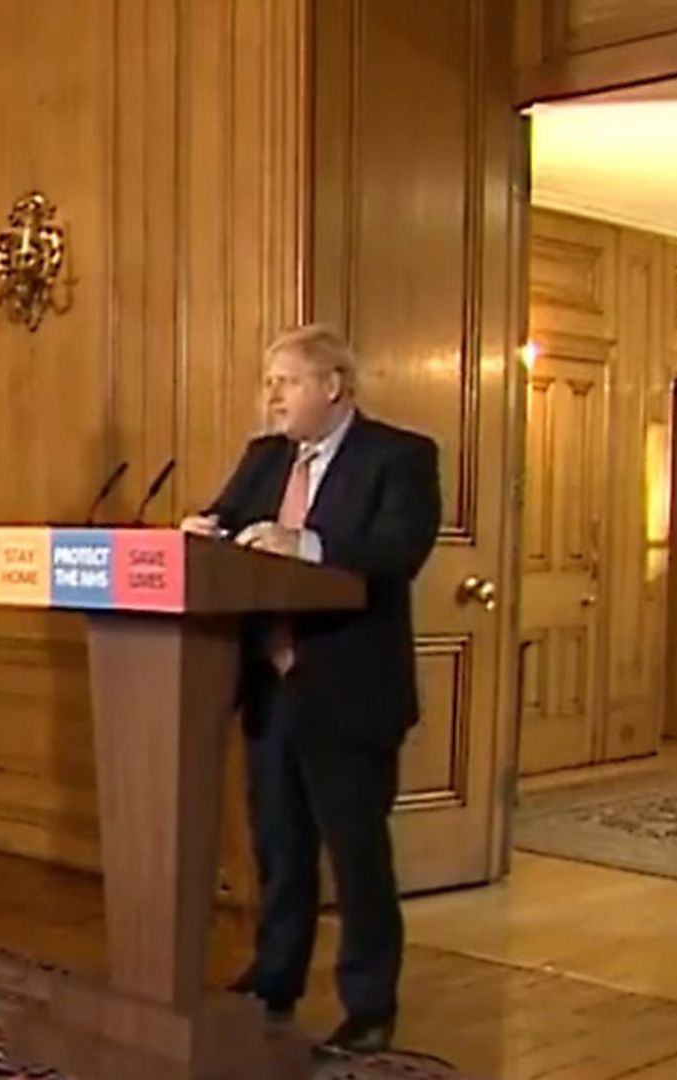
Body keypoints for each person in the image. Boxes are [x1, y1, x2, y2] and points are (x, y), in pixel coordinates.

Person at [182, 323, 441, 1056]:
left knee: (356, 854)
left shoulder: (400, 456)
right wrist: (203, 530)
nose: (271, 396)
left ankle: (369, 1002)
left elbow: (399, 551)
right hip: (269, 684)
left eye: (285, 381)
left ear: (332, 385)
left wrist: (310, 545)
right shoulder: (265, 458)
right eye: (268, 382)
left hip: (349, 688)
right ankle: (276, 976)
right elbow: (229, 520)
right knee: (279, 846)